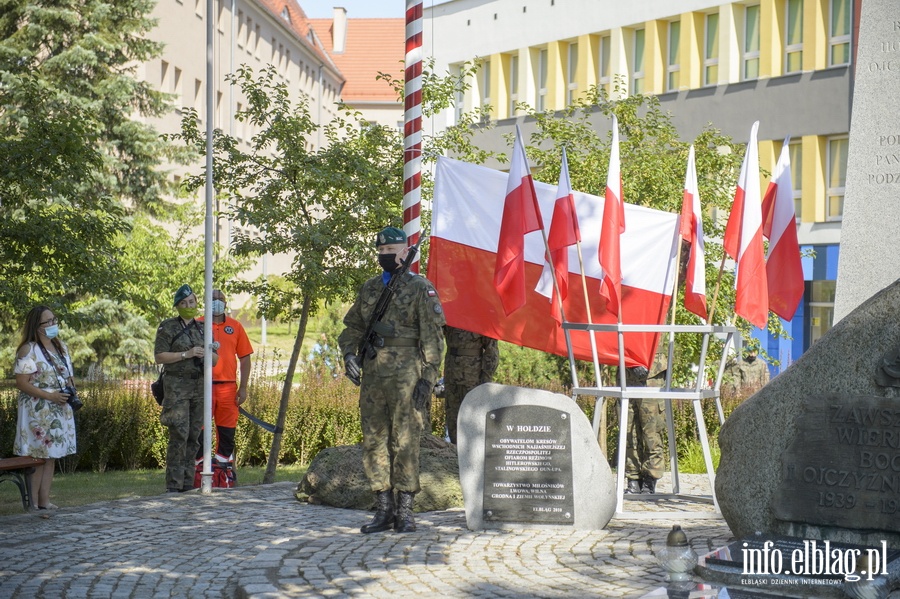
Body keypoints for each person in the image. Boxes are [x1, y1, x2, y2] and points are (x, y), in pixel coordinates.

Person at [338, 226, 445, 534]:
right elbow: (352, 328)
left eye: (392, 251)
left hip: (407, 374)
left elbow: (433, 338)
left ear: (405, 252)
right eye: (381, 252)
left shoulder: (420, 288)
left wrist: (428, 377)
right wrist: (348, 356)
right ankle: (383, 508)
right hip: (373, 373)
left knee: (406, 440)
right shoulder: (370, 288)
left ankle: (405, 509)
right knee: (374, 440)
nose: (386, 257)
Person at [13, 305, 78, 510]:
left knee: (51, 456)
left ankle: (44, 501)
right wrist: (49, 395)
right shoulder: (29, 350)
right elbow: (22, 383)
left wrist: (71, 393)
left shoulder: (61, 347)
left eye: (54, 320)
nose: (53, 325)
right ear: (37, 326)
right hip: (38, 409)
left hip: (59, 406)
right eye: (47, 322)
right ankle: (32, 503)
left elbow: (69, 376)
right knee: (37, 455)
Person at [154, 284, 218, 493]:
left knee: (193, 436)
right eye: (184, 303)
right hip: (177, 388)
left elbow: (216, 360)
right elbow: (159, 356)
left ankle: (189, 483)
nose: (189, 306)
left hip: (198, 387)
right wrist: (186, 354)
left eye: (191, 302)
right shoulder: (168, 327)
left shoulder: (203, 328)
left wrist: (208, 353)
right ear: (177, 305)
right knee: (178, 435)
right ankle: (174, 485)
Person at [199, 289, 253, 472]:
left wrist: (243, 387)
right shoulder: (198, 324)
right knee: (199, 432)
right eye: (212, 299)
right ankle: (199, 473)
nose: (216, 302)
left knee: (227, 433)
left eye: (220, 299)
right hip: (201, 387)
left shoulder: (235, 326)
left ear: (226, 303)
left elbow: (245, 358)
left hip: (228, 388)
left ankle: (223, 473)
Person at [619, 340, 668, 495]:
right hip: (626, 371)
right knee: (628, 431)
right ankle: (633, 478)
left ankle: (650, 478)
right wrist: (630, 362)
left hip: (652, 372)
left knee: (651, 431)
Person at [441, 326, 499, 444]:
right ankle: (455, 451)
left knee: (473, 418)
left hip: (473, 377)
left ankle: (473, 452)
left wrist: (486, 379)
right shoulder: (451, 315)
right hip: (451, 374)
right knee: (453, 417)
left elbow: (491, 351)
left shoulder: (482, 319)